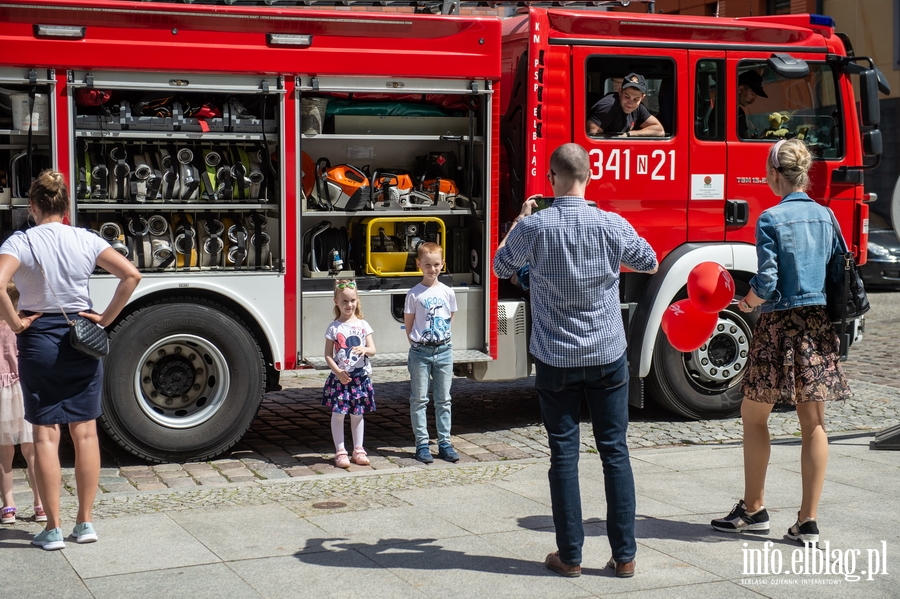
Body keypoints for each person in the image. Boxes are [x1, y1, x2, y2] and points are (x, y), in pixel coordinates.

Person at [493, 143, 658, 579]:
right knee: (615, 452)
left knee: (563, 456)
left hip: (556, 359)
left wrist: (521, 220)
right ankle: (625, 556)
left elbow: (500, 265)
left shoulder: (537, 226)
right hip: (606, 354)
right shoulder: (610, 223)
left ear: (551, 179)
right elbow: (649, 260)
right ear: (589, 176)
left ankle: (570, 557)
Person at [711, 139, 850, 544]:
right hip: (817, 324)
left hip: (778, 326)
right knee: (814, 423)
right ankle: (807, 522)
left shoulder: (771, 218)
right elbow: (840, 268)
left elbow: (768, 282)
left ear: (774, 173)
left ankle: (754, 509)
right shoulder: (827, 216)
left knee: (754, 417)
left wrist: (749, 300)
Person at [0, 170, 141, 550]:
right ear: (66, 208)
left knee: (46, 434)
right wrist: (106, 318)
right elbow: (130, 274)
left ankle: (53, 529)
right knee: (85, 431)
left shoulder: (22, 241)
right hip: (82, 338)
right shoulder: (85, 238)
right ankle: (86, 523)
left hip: (39, 338)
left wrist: (15, 322)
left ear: (32, 206)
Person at [404, 242, 458, 464]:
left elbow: (450, 317)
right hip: (420, 353)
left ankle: (444, 442)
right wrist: (419, 344)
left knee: (444, 399)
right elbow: (409, 325)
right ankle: (422, 444)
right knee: (419, 399)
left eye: (436, 264)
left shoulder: (448, 292)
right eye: (427, 264)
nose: (432, 269)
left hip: (444, 351)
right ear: (419, 264)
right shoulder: (414, 294)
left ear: (442, 264)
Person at [0, 282, 44, 526]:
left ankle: (8, 506)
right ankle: (41, 504)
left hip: (1, 394)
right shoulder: (24, 322)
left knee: (3, 453)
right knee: (33, 450)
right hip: (25, 389)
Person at [322, 279, 376, 469]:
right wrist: (337, 372)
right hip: (341, 379)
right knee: (338, 413)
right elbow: (328, 354)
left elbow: (373, 349)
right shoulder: (334, 327)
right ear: (336, 301)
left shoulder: (363, 325)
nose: (349, 305)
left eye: (352, 300)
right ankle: (340, 451)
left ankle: (358, 449)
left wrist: (364, 349)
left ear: (357, 300)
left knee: (357, 414)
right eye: (344, 301)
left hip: (360, 379)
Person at [587, 73, 665, 137]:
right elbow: (592, 134)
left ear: (642, 98)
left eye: (636, 99)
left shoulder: (639, 107)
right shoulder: (609, 106)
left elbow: (660, 130)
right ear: (620, 92)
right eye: (627, 97)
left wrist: (629, 134)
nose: (630, 103)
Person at [738, 70, 768, 139]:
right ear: (740, 89)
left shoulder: (740, 112)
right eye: (752, 94)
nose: (753, 100)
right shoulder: (724, 113)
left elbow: (744, 140)